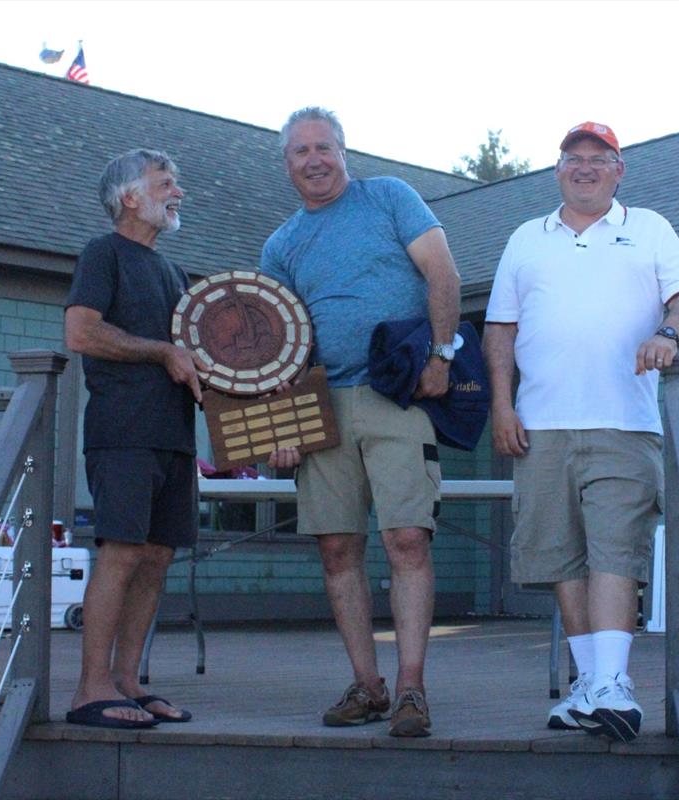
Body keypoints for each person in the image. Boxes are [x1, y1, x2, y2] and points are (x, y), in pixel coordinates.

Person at [483, 122, 679, 743]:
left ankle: (613, 683)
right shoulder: (526, 238)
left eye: (598, 159)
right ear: (558, 170)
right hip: (541, 425)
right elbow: (499, 329)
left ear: (618, 171)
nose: (585, 168)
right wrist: (502, 406)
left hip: (623, 422)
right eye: (573, 159)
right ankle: (590, 685)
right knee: (562, 555)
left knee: (616, 547)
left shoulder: (651, 228)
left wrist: (667, 335)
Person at [261, 107, 461, 737]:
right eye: (301, 151)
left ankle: (410, 689)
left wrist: (440, 352)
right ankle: (367, 686)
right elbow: (275, 344)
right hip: (322, 402)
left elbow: (444, 273)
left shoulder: (390, 198)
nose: (314, 159)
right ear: (287, 164)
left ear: (345, 153)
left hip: (397, 392)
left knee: (407, 539)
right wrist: (281, 427)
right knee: (337, 546)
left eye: (325, 146)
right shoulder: (281, 244)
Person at [64, 149, 208, 728]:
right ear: (130, 197)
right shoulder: (103, 254)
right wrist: (162, 350)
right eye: (165, 183)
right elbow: (81, 331)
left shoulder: (173, 273)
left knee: (156, 558)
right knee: (120, 554)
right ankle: (88, 689)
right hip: (122, 433)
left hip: (174, 437)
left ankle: (126, 682)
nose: (178, 192)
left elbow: (198, 354)